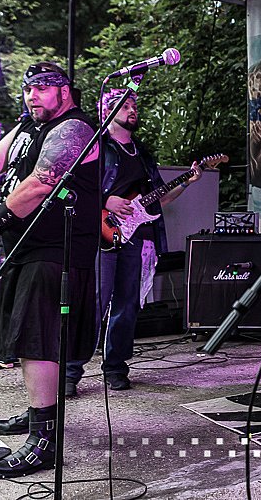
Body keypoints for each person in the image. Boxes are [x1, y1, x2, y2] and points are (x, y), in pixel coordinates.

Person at [0, 62, 101, 478]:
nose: (31, 95)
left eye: (41, 88)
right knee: (28, 339)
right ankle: (41, 411)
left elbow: (40, 184)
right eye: (27, 89)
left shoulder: (74, 128)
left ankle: (44, 441)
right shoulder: (26, 128)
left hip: (57, 249)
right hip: (27, 247)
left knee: (38, 340)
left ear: (64, 91)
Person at [64, 90, 201, 395]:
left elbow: (159, 199)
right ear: (107, 113)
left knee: (127, 304)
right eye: (124, 106)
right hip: (100, 234)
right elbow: (70, 189)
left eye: (134, 105)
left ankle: (115, 367)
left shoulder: (142, 153)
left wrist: (187, 183)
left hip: (135, 237)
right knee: (94, 303)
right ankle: (71, 372)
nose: (132, 110)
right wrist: (105, 201)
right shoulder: (95, 147)